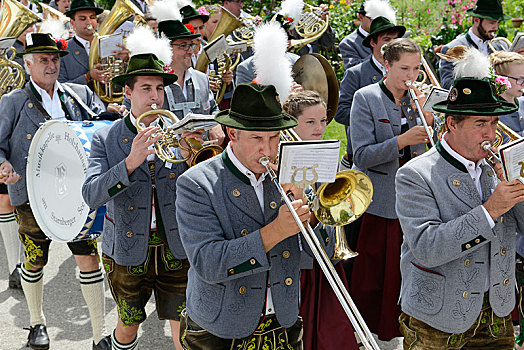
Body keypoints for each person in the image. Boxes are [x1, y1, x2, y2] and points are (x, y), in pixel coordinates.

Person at [176, 83, 336, 349]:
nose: (269, 150)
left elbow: (325, 253)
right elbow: (208, 263)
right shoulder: (196, 183)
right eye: (257, 139)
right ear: (233, 133)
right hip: (222, 325)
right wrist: (277, 231)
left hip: (283, 321)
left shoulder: (291, 173)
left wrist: (309, 212)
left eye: (274, 138)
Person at [396, 76, 524, 349]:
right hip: (438, 316)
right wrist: (490, 211)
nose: (490, 134)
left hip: (497, 313)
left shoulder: (498, 167)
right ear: (452, 123)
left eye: (493, 123)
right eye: (480, 124)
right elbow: (427, 247)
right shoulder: (415, 174)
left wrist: (518, 188)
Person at [0, 32, 109, 350]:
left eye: (55, 59)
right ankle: (36, 323)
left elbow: (103, 125)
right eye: (43, 60)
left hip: (76, 195)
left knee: (89, 261)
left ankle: (100, 334)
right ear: (28, 64)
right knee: (34, 262)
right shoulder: (13, 101)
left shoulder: (78, 94)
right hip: (32, 194)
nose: (51, 65)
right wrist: (3, 166)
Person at [82, 37, 190, 350]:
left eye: (159, 89)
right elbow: (91, 195)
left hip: (175, 248)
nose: (155, 97)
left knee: (183, 332)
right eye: (146, 88)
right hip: (127, 251)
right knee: (129, 328)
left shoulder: (178, 132)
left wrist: (196, 157)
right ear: (128, 93)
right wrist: (130, 163)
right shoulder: (106, 137)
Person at [349, 37, 433, 341]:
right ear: (386, 65)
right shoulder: (366, 97)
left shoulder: (420, 100)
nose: (411, 76)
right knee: (377, 278)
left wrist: (431, 117)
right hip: (381, 204)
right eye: (403, 68)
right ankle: (371, 335)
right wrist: (402, 140)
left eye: (416, 68)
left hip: (418, 202)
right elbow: (361, 155)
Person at [283, 90, 358, 350]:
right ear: (292, 123)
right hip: (297, 262)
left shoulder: (325, 152)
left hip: (324, 253)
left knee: (332, 329)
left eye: (323, 121)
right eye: (310, 122)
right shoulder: (283, 157)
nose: (320, 128)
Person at [335, 16, 405, 170]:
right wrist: (372, 116)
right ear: (373, 42)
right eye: (387, 39)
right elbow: (340, 112)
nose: (392, 44)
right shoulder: (356, 73)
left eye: (395, 39)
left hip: (404, 154)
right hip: (368, 154)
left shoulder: (406, 71)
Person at [438, 0, 510, 89]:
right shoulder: (452, 48)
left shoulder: (500, 45)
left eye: (498, 22)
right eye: (492, 22)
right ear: (476, 20)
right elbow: (447, 84)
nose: (496, 27)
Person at [338, 1, 371, 69]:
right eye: (371, 18)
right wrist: (378, 56)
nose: (377, 22)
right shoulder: (348, 43)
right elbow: (353, 71)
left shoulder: (391, 37)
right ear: (360, 17)